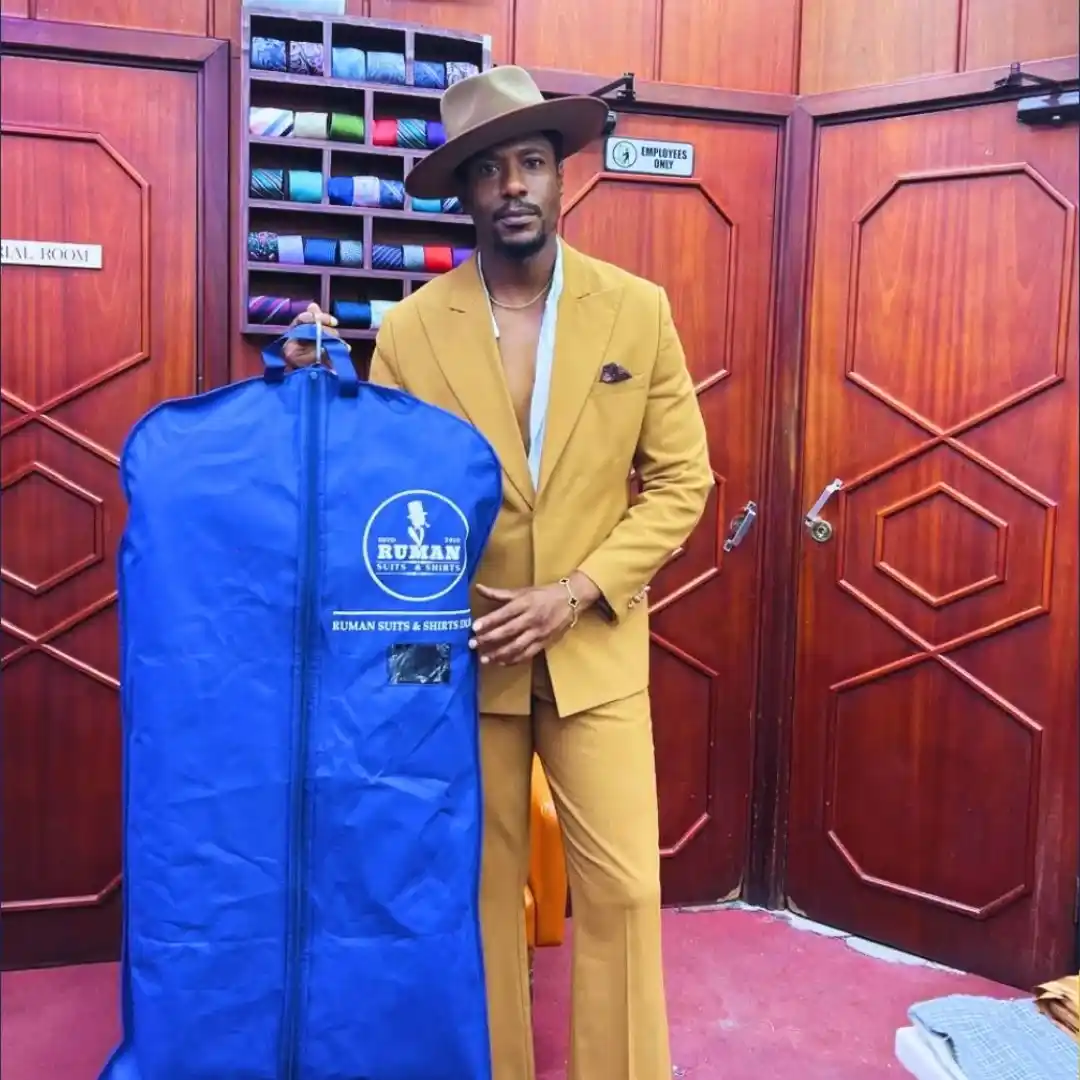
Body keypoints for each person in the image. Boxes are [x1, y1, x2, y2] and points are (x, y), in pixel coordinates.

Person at [287, 65, 712, 1080]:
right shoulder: (409, 328)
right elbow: (379, 493)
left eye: (531, 162)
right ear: (465, 193)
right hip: (455, 658)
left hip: (593, 647)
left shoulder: (637, 310)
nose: (514, 185)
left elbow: (681, 484)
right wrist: (319, 400)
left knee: (623, 893)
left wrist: (575, 592)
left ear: (562, 176)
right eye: (490, 170)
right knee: (476, 893)